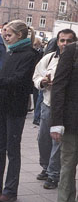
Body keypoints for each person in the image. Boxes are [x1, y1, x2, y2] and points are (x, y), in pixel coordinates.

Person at [0, 20, 40, 202]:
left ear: (19, 35)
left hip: (16, 107)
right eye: (5, 34)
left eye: (9, 35)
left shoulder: (30, 54)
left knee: (12, 150)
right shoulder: (11, 51)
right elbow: (5, 78)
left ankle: (10, 190)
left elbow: (17, 80)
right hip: (1, 104)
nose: (5, 37)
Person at [35, 30, 76, 189]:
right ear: (57, 42)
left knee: (58, 142)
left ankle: (53, 174)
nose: (65, 43)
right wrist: (43, 82)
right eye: (62, 40)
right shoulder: (50, 58)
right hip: (48, 103)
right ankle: (46, 167)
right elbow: (36, 76)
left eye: (69, 41)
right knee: (43, 139)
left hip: (67, 108)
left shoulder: (74, 59)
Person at [50, 41, 78, 202]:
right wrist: (56, 121)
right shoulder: (72, 51)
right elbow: (58, 86)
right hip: (73, 121)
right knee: (68, 166)